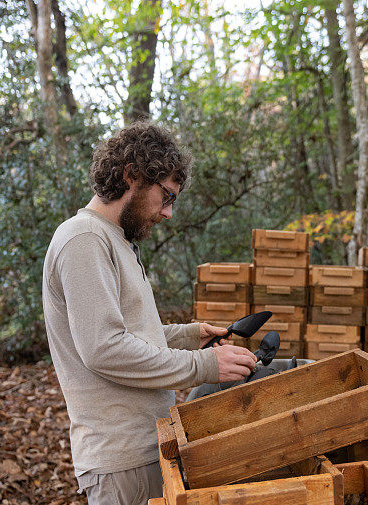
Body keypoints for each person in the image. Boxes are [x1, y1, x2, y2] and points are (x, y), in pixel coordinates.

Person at [41, 121, 257, 505]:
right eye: (167, 196)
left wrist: (190, 335)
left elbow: (128, 333)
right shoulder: (84, 239)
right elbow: (103, 349)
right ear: (132, 175)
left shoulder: (113, 240)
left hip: (146, 449)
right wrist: (203, 365)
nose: (169, 213)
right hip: (123, 460)